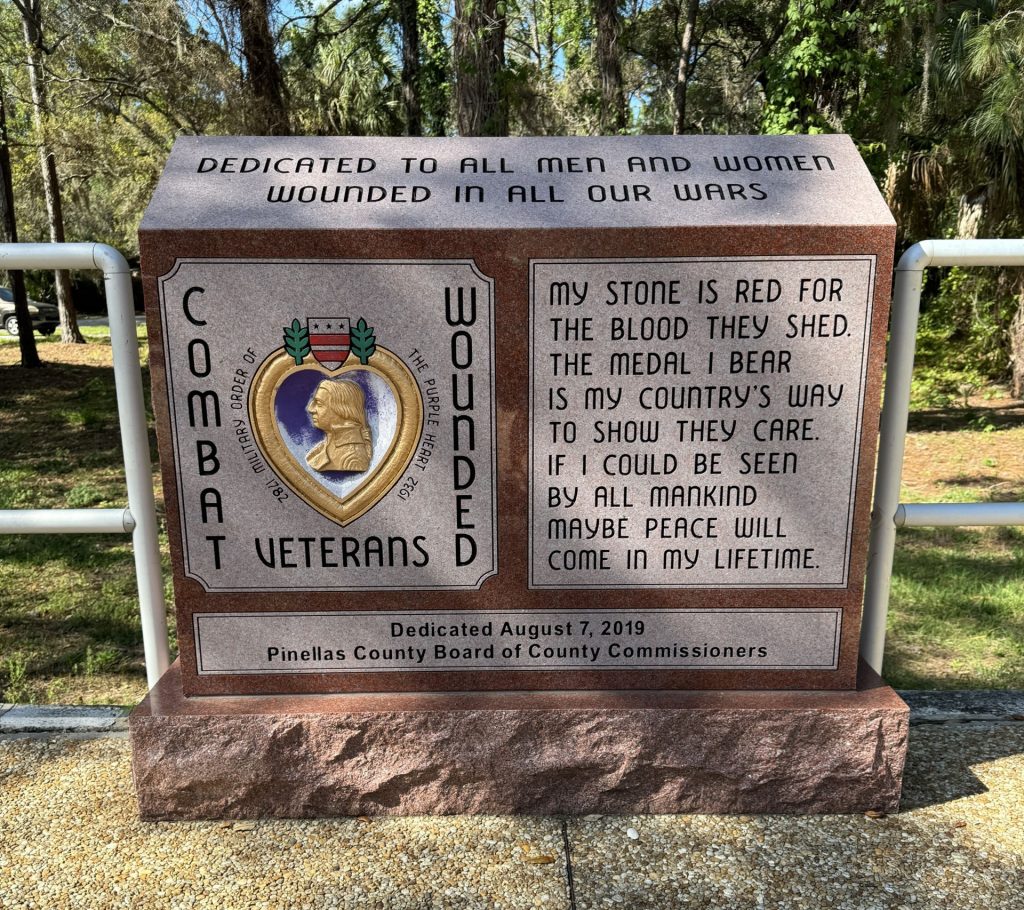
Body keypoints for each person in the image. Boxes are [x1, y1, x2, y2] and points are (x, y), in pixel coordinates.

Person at [305, 379, 373, 472]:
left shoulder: (352, 458)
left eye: (319, 404)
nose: (311, 409)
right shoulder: (323, 447)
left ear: (343, 411)